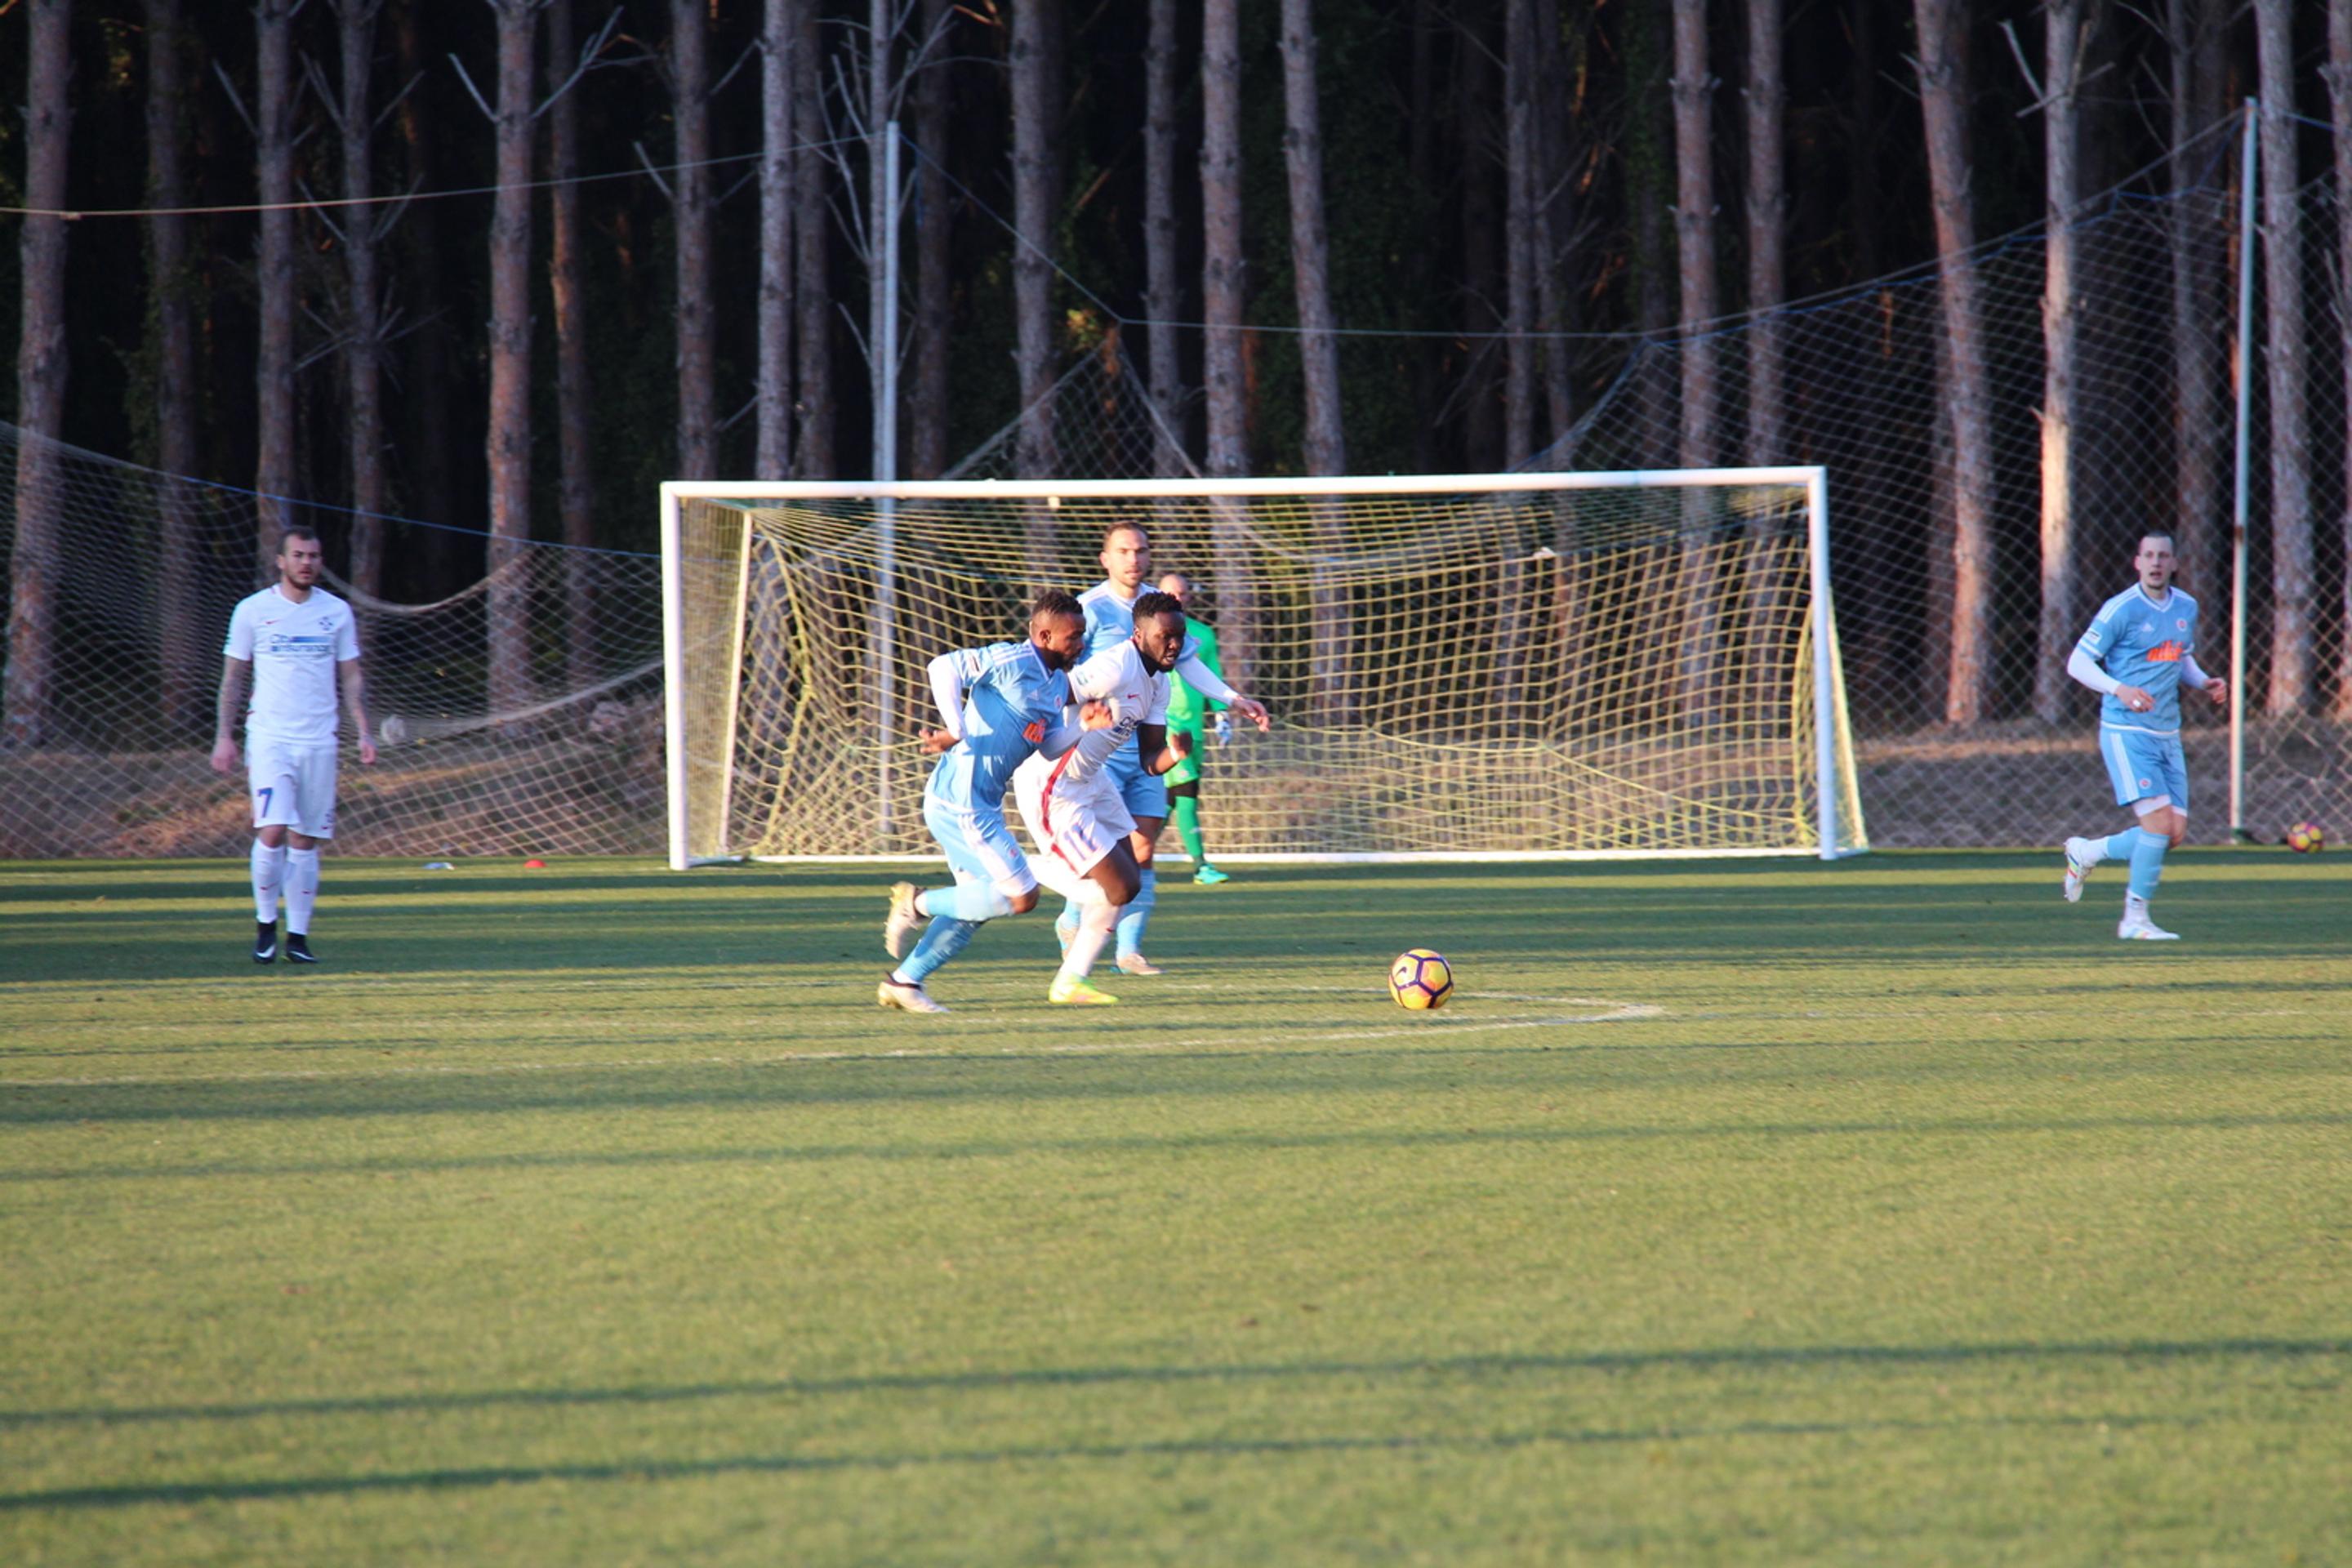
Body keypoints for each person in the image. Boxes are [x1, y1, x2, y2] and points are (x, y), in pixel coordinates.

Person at [1055, 522, 1269, 975]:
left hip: (1148, 745)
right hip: (1098, 753)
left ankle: (1128, 951)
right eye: (1124, 550)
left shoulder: (1162, 608)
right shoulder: (1089, 609)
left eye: (1141, 549)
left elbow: (1188, 662)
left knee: (1143, 850)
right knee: (1104, 853)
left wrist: (1234, 700)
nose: (1134, 558)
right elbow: (1064, 677)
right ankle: (1072, 921)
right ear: (1105, 558)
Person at [878, 590, 1098, 1013]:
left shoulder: (1055, 685)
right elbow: (942, 666)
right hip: (962, 803)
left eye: (1083, 634)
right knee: (1021, 896)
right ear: (1044, 635)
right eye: (1074, 636)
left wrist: (1082, 727)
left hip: (978, 805)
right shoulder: (1012, 660)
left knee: (976, 905)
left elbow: (1048, 747)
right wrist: (956, 728)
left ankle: (904, 982)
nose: (1081, 643)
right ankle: (916, 902)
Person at [1013, 590, 1194, 1005]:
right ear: (1138, 634)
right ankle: (1010, 864)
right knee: (1117, 886)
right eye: (1165, 635)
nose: (1174, 644)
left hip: (1093, 782)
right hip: (1055, 786)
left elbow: (1150, 759)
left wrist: (1176, 754)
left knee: (1125, 883)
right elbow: (1053, 691)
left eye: (1179, 635)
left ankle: (1070, 983)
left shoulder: (1159, 683)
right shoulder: (1115, 666)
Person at [211, 526, 376, 964]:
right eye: (299, 555)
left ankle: (298, 938)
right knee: (273, 828)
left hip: (320, 740)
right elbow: (233, 678)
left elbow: (351, 675)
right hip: (270, 737)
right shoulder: (252, 611)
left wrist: (362, 729)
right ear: (281, 561)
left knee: (306, 839)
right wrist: (224, 736)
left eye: (314, 556)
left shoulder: (336, 613)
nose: (307, 562)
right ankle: (266, 928)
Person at [2058, 530, 2228, 940]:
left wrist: (2203, 681)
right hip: (2126, 731)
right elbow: (2077, 663)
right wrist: (2120, 688)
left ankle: (2086, 851)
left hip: (2167, 733)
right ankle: (2134, 919)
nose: (2155, 562)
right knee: (2156, 828)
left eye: (2163, 556)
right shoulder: (2122, 609)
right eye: (2148, 555)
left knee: (2172, 834)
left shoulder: (2186, 605)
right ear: (2137, 562)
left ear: (2173, 563)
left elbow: (2179, 655)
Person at [1153, 571, 1232, 885]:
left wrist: (1223, 714)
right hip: (1165, 728)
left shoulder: (1202, 636)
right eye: (1170, 594)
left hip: (1194, 729)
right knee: (1186, 794)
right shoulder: (1148, 635)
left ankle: (1131, 858)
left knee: (1170, 799)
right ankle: (1201, 866)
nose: (1177, 599)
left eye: (1183, 594)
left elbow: (1213, 674)